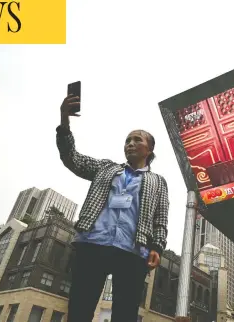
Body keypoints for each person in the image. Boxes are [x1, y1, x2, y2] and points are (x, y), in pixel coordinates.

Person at [56, 94, 169, 322]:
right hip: (92, 244)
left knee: (125, 314)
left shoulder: (158, 181)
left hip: (133, 251)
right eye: (127, 140)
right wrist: (64, 122)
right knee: (79, 309)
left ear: (149, 149)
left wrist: (157, 247)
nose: (130, 144)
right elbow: (72, 158)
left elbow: (161, 218)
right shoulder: (105, 168)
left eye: (137, 139)